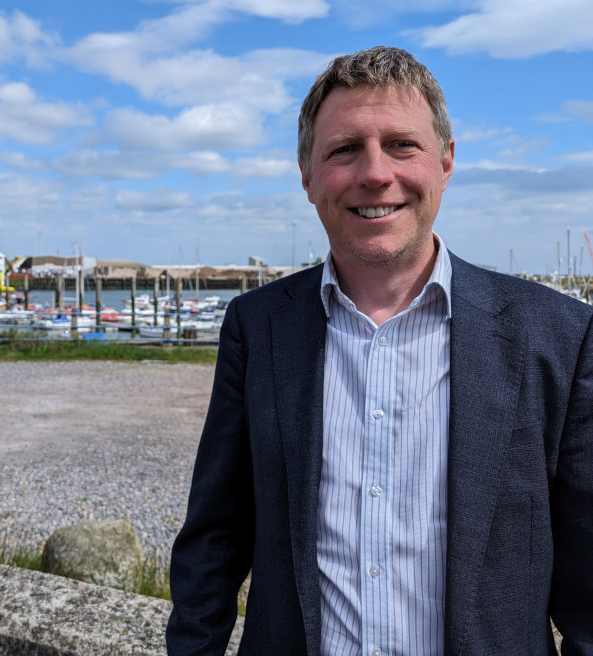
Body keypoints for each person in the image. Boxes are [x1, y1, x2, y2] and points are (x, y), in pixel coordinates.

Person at [166, 46, 593, 655]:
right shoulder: (256, 327)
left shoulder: (559, 337)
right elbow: (214, 539)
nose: (374, 173)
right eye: (344, 149)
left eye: (402, 145)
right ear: (308, 175)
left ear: (446, 161)